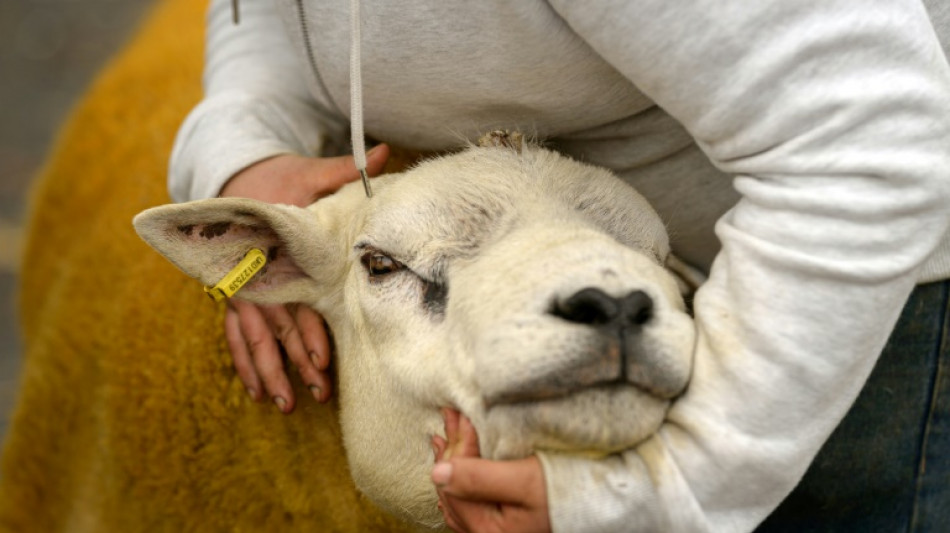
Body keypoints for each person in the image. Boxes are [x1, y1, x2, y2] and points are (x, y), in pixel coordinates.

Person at [169, 0, 950, 531]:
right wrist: (243, 145)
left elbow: (868, 142)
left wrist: (670, 491)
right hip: (606, 290)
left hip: (836, 292)